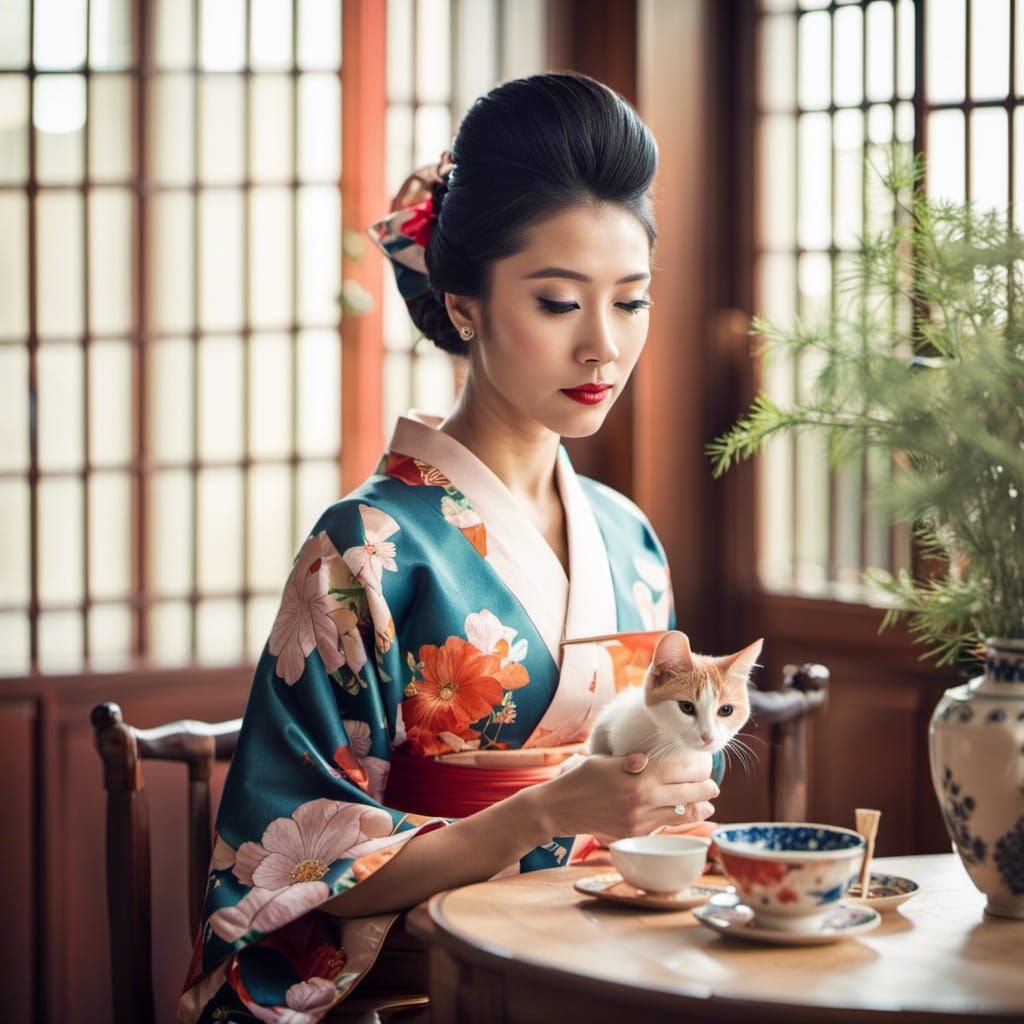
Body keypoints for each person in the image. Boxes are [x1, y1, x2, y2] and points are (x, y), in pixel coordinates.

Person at [178, 71, 721, 1023]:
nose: (604, 348)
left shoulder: (628, 539)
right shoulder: (364, 549)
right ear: (463, 302)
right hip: (426, 992)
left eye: (630, 302)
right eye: (558, 304)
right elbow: (288, 867)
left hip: (608, 967)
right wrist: (550, 811)